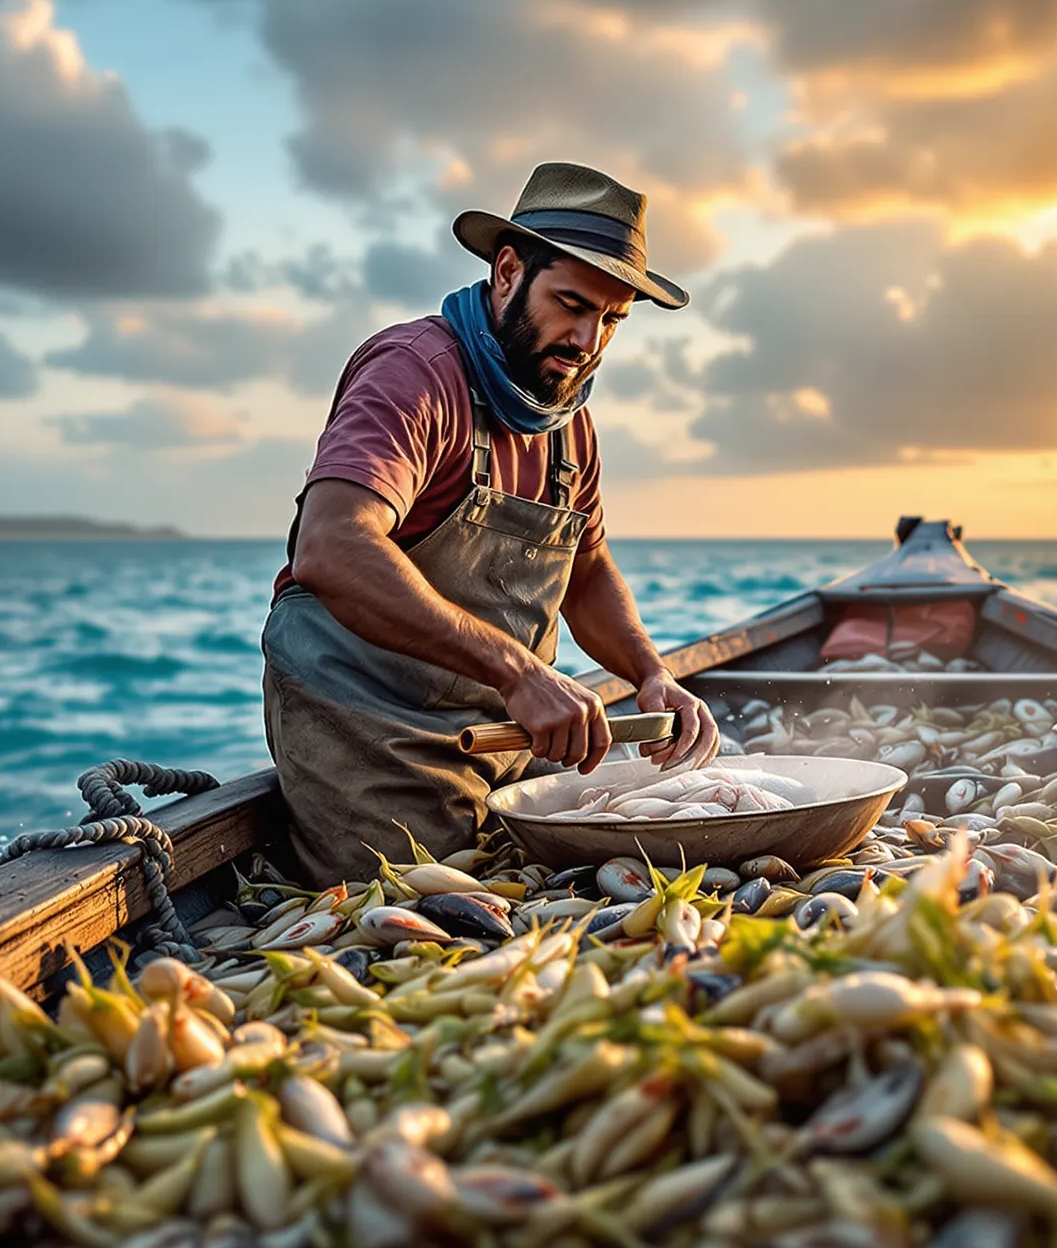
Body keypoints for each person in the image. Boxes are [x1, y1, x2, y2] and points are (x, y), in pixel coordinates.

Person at [261, 162, 722, 884]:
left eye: (611, 320)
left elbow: (588, 570)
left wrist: (650, 673)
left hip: (506, 728)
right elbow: (333, 544)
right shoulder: (414, 373)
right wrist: (517, 670)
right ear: (507, 271)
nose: (587, 338)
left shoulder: (568, 422)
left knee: (609, 856)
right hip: (368, 725)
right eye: (571, 303)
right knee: (416, 907)